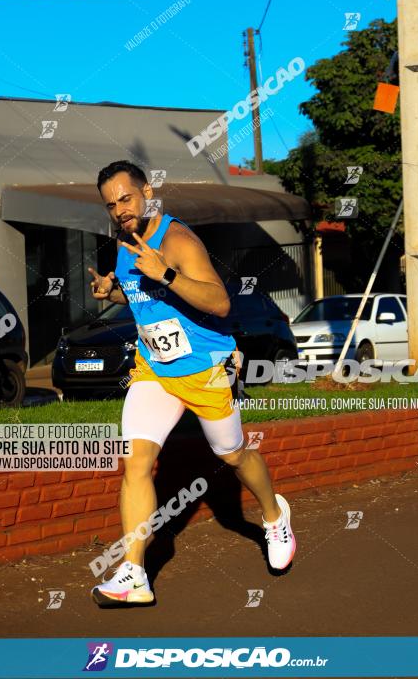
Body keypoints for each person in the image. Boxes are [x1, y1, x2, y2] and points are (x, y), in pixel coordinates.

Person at [88, 161, 295, 606]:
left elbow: (220, 303)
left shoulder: (177, 239)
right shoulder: (124, 243)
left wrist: (165, 271)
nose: (120, 210)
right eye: (111, 205)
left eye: (126, 198)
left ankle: (275, 515)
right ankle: (134, 573)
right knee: (136, 462)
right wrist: (114, 291)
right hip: (155, 370)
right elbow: (141, 291)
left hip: (204, 369)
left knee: (233, 454)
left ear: (147, 191)